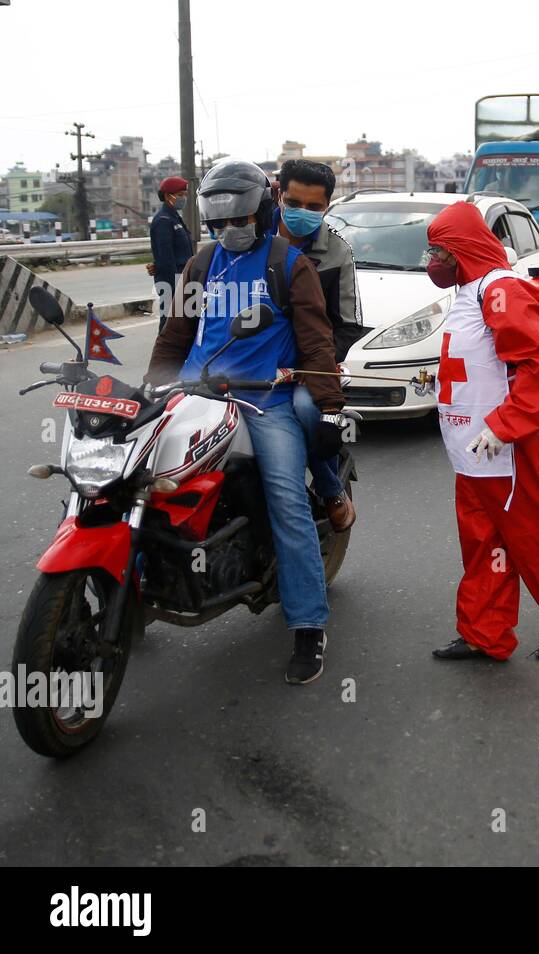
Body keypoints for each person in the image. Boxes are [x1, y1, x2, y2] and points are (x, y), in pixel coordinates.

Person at [145, 159, 346, 685]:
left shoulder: (289, 264)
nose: (230, 231)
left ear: (260, 212)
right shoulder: (200, 263)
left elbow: (317, 341)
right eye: (220, 223)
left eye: (240, 221)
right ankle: (135, 595)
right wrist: (152, 390)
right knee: (135, 481)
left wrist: (327, 406)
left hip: (265, 400)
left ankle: (307, 625)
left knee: (285, 499)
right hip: (193, 396)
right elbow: (175, 334)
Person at [425, 202, 539, 662]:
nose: (432, 261)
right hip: (476, 450)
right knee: (484, 540)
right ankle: (483, 633)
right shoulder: (471, 291)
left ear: (461, 249)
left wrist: (505, 427)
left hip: (515, 446)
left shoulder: (501, 290)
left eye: (439, 250)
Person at [274, 159, 361, 533]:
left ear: (327, 206)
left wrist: (313, 366)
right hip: (253, 364)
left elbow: (348, 325)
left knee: (306, 412)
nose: (302, 214)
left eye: (314, 207)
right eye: (294, 204)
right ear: (278, 195)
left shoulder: (338, 253)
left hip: (309, 369)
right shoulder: (254, 241)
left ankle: (330, 488)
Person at [147, 176, 192, 331]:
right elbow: (165, 258)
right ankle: (162, 355)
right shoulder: (163, 221)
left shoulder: (175, 218)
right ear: (168, 196)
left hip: (182, 280)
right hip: (172, 282)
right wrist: (175, 287)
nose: (183, 198)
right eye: (180, 195)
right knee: (169, 325)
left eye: (184, 195)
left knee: (184, 324)